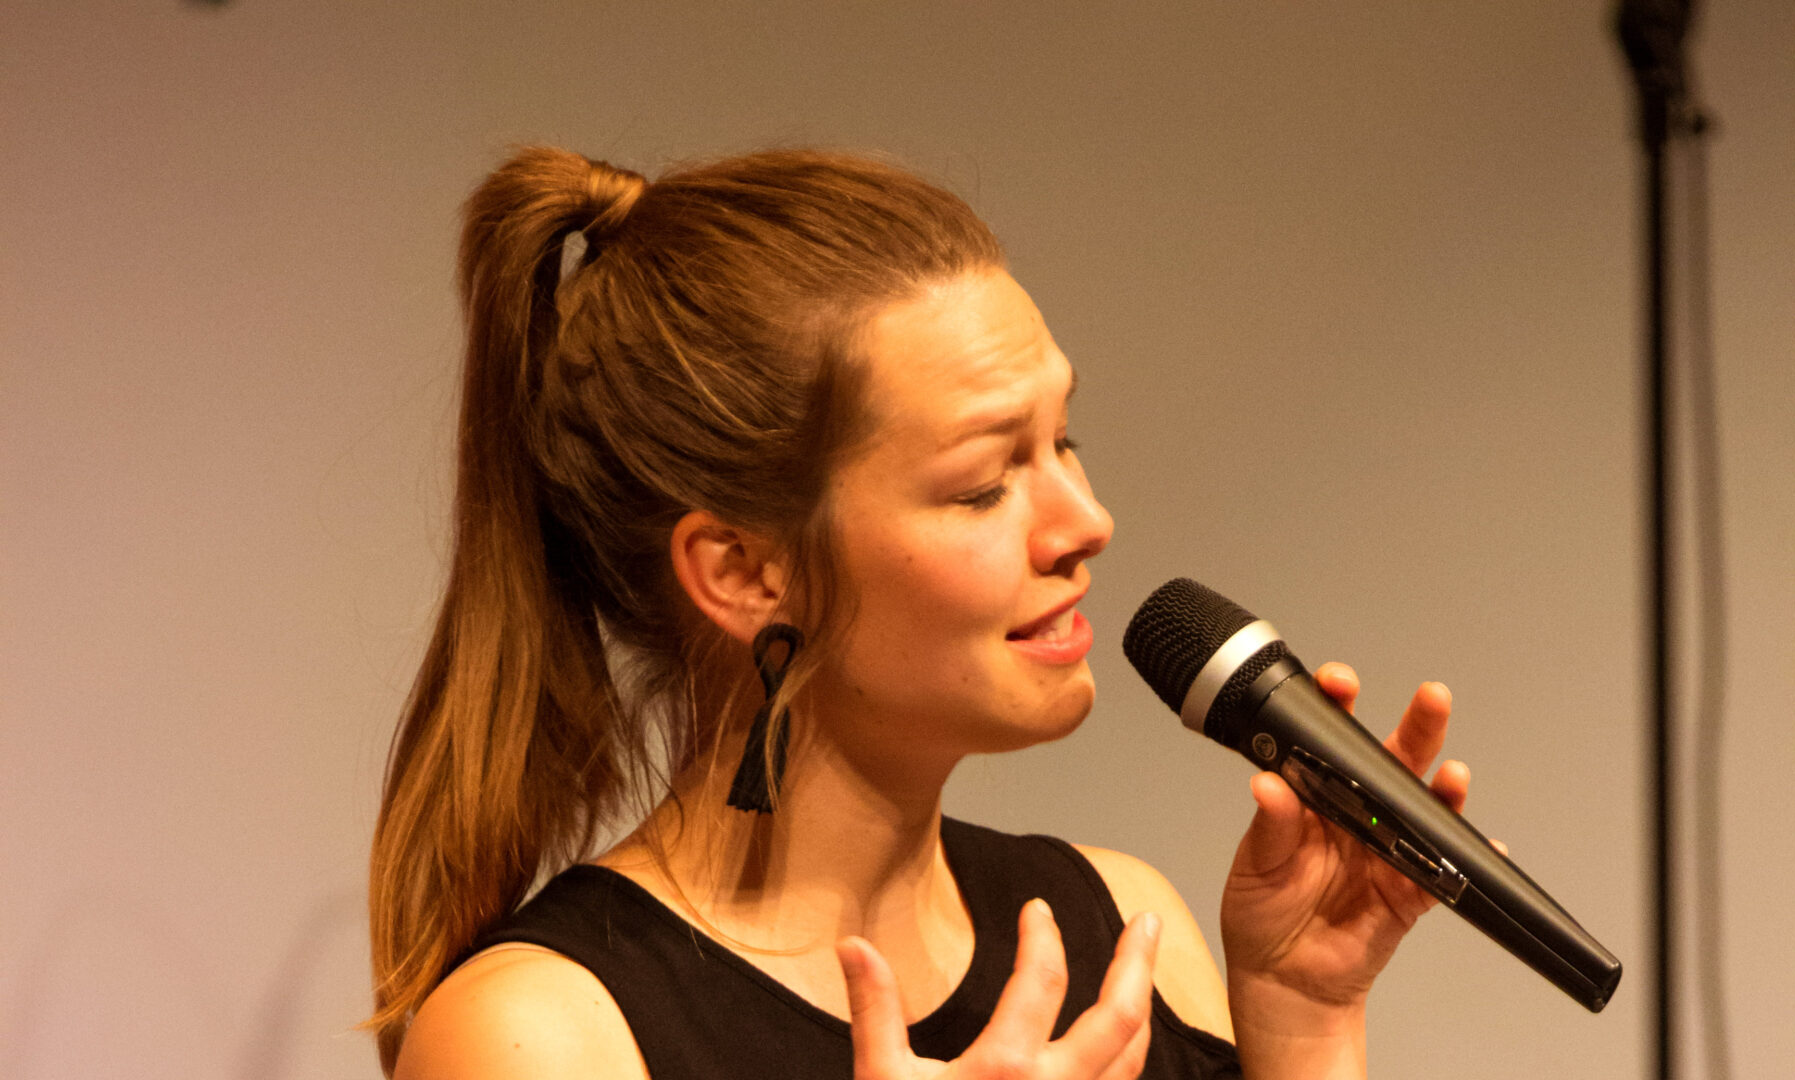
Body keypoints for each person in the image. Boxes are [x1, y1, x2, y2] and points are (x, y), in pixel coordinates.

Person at [367, 145, 1470, 1080]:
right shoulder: (539, 1034)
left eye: (1064, 442)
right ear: (745, 571)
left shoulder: (1124, 932)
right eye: (985, 484)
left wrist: (1306, 1026)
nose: (1086, 522)